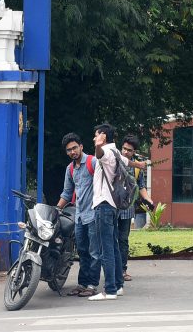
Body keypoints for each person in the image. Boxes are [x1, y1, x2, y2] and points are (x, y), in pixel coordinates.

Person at [89, 123, 129, 301]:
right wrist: (142, 164)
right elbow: (129, 162)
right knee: (113, 246)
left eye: (96, 135)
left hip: (104, 204)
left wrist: (98, 144)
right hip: (112, 205)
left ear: (103, 136)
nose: (93, 138)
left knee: (106, 249)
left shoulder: (105, 152)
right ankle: (118, 285)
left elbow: (99, 154)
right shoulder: (117, 152)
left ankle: (110, 289)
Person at [56, 133, 100, 297]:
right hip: (79, 215)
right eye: (69, 150)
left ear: (81, 146)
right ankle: (82, 283)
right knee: (81, 251)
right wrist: (56, 209)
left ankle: (92, 285)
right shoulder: (70, 169)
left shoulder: (93, 162)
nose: (72, 152)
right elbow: (67, 193)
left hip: (95, 214)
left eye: (75, 148)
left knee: (94, 251)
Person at [118, 135, 153, 281]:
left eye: (129, 150)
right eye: (124, 149)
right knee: (108, 240)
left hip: (126, 209)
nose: (126, 152)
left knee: (123, 240)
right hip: (110, 208)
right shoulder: (113, 161)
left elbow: (141, 186)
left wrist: (148, 200)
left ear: (134, 152)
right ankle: (111, 270)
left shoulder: (137, 168)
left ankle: (122, 270)